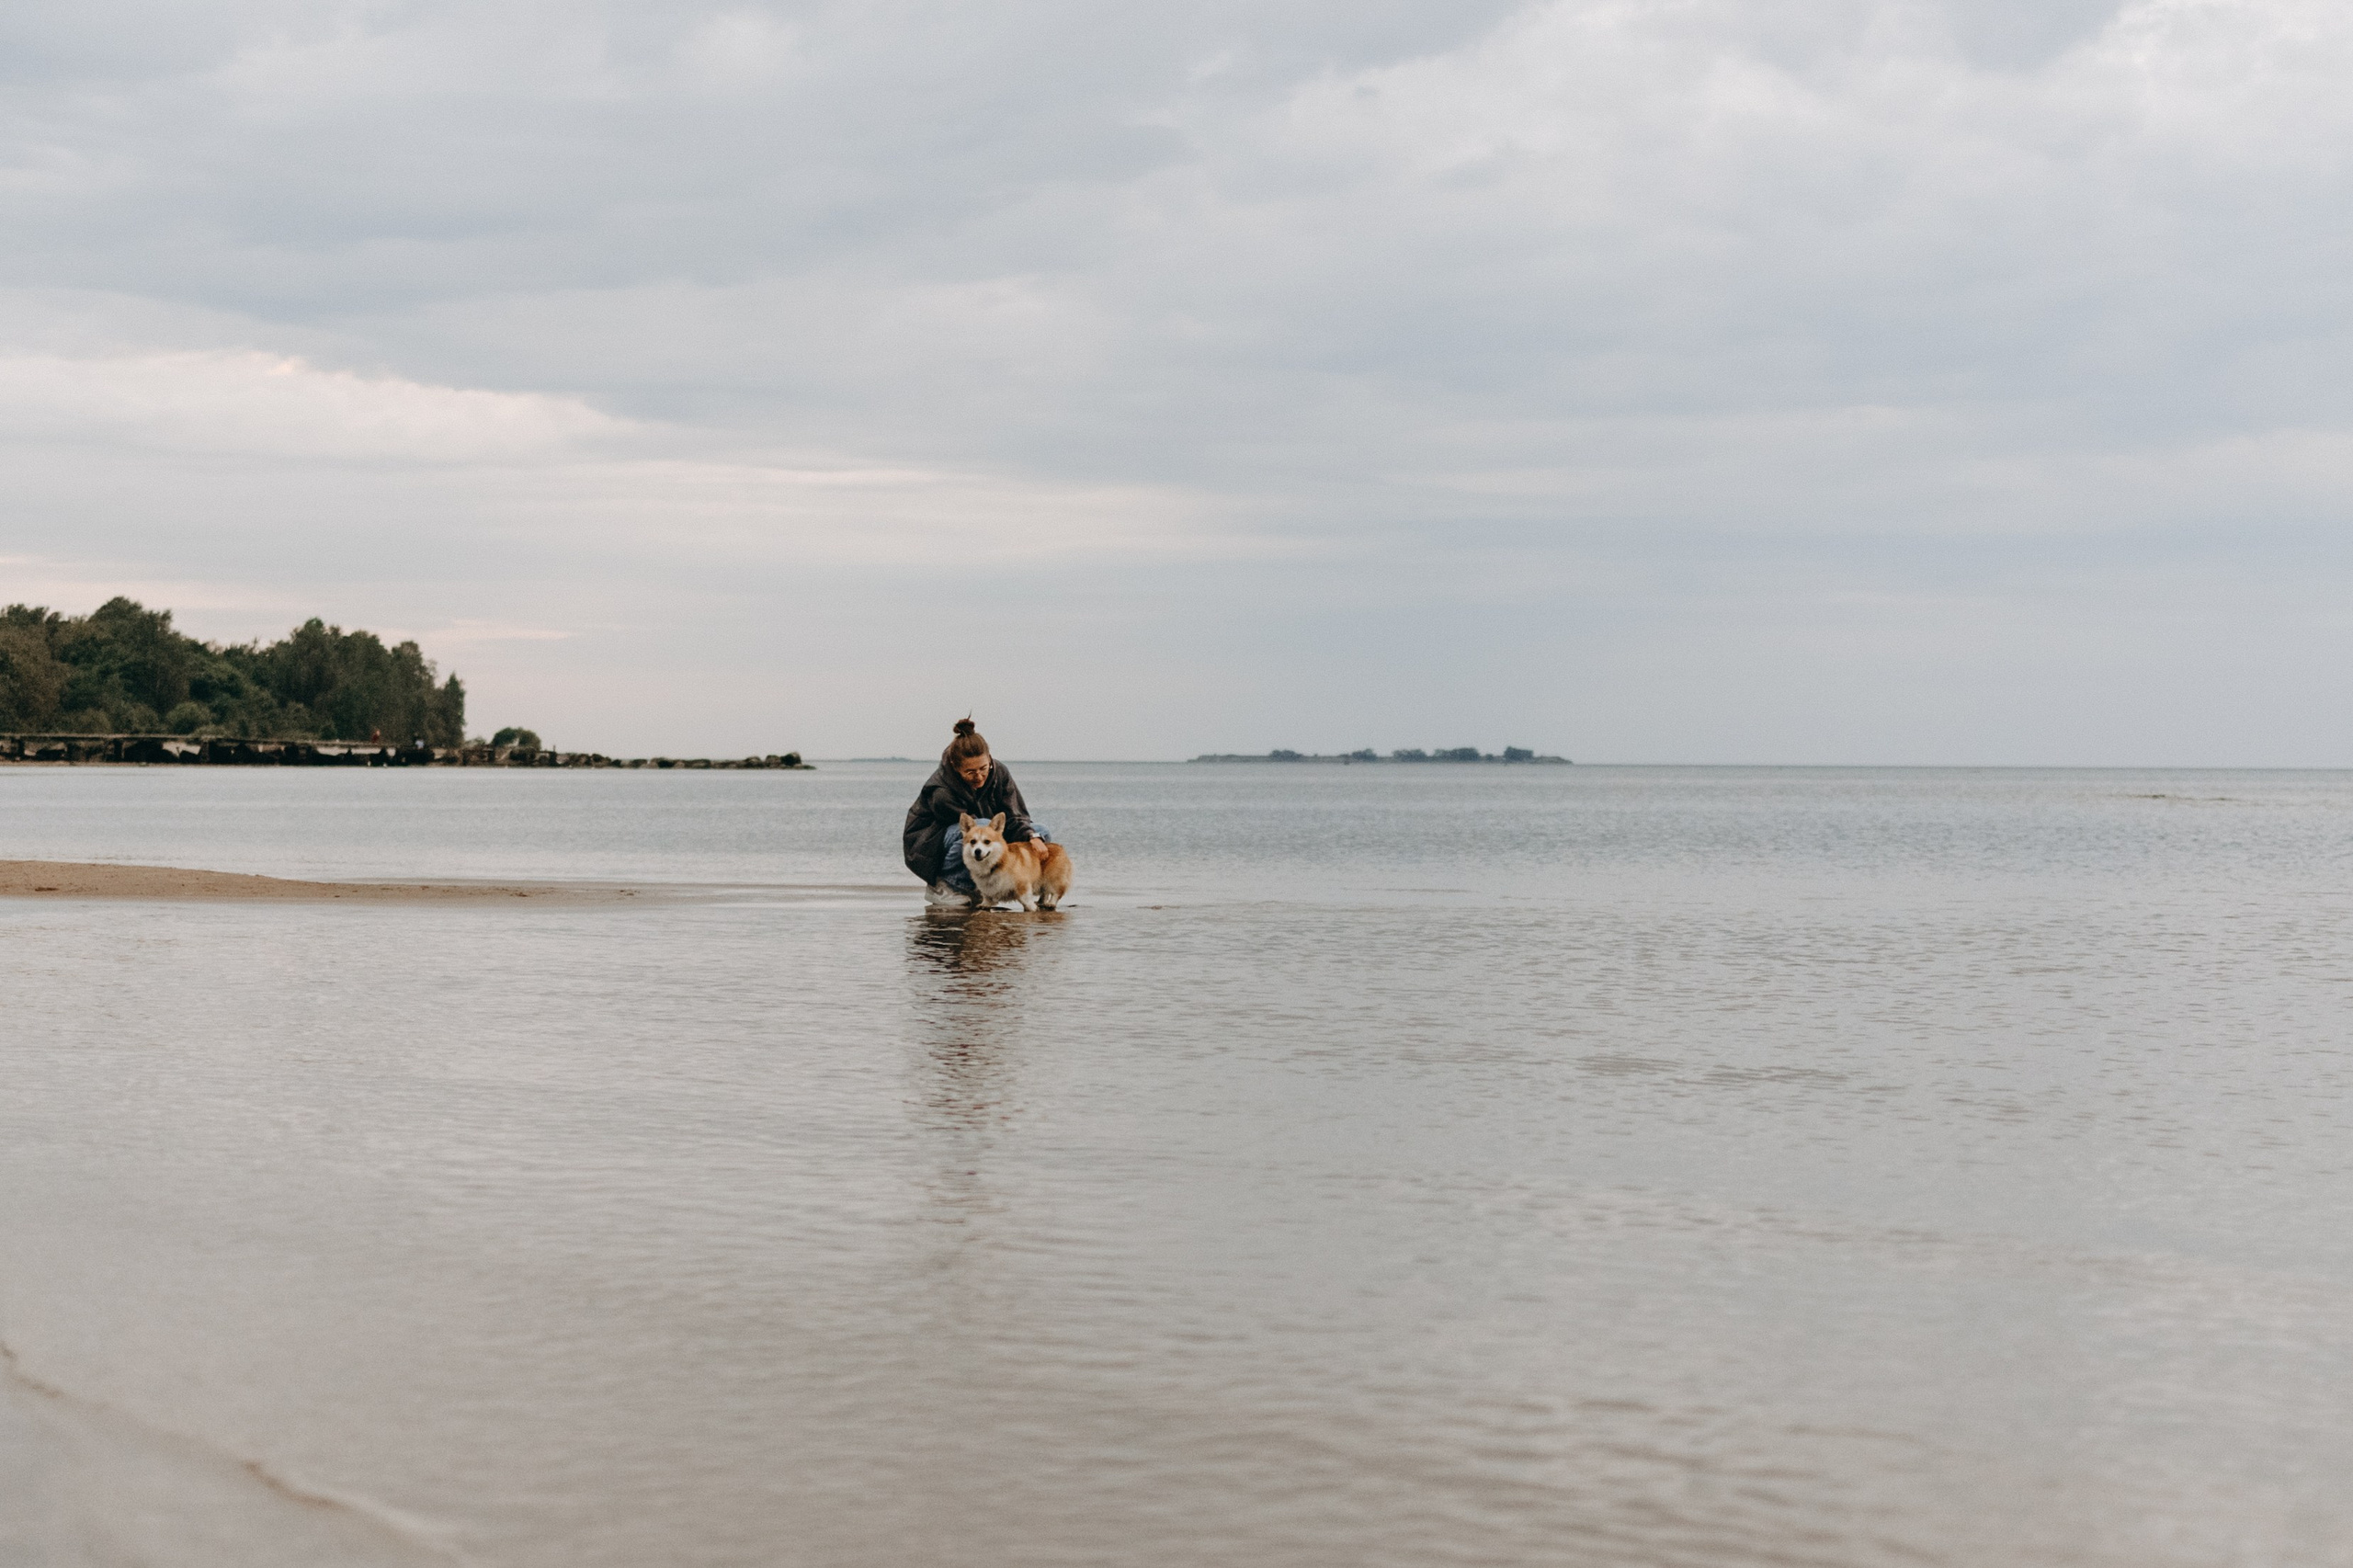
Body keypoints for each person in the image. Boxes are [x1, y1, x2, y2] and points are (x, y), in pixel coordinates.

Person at [903, 718, 1052, 903]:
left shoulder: (1000, 773)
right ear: (956, 767)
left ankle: (1010, 882)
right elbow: (973, 829)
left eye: (983, 768)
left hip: (984, 832)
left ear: (989, 758)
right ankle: (946, 886)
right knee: (979, 829)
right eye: (971, 772)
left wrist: (1032, 836)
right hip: (929, 846)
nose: (979, 776)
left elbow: (1015, 815)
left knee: (1041, 831)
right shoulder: (941, 791)